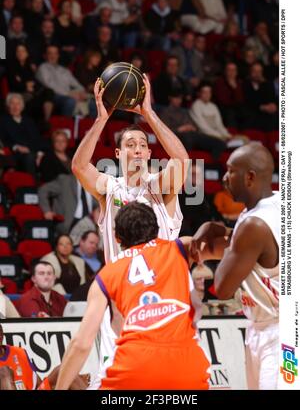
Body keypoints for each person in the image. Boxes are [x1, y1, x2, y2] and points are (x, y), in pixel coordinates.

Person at [71, 74, 189, 386]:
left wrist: (148, 113)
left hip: (161, 302)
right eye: (129, 145)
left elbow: (181, 160)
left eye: (142, 145)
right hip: (119, 304)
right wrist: (101, 119)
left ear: (149, 155)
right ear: (119, 155)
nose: (137, 149)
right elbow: (80, 167)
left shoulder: (160, 187)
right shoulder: (109, 188)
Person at [56, 202, 210, 390]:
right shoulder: (179, 248)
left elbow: (81, 344)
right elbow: (222, 244)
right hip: (188, 369)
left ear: (117, 238)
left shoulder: (105, 276)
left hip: (134, 368)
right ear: (156, 228)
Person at [191, 142, 279, 390]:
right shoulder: (274, 204)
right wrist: (219, 229)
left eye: (231, 171)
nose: (224, 178)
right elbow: (255, 249)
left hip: (278, 333)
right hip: (263, 327)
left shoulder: (254, 225)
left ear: (250, 177)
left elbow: (222, 287)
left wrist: (227, 241)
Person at [0, 324, 39, 390]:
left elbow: (36, 381)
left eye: (0, 331)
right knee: (4, 371)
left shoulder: (19, 352)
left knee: (59, 370)